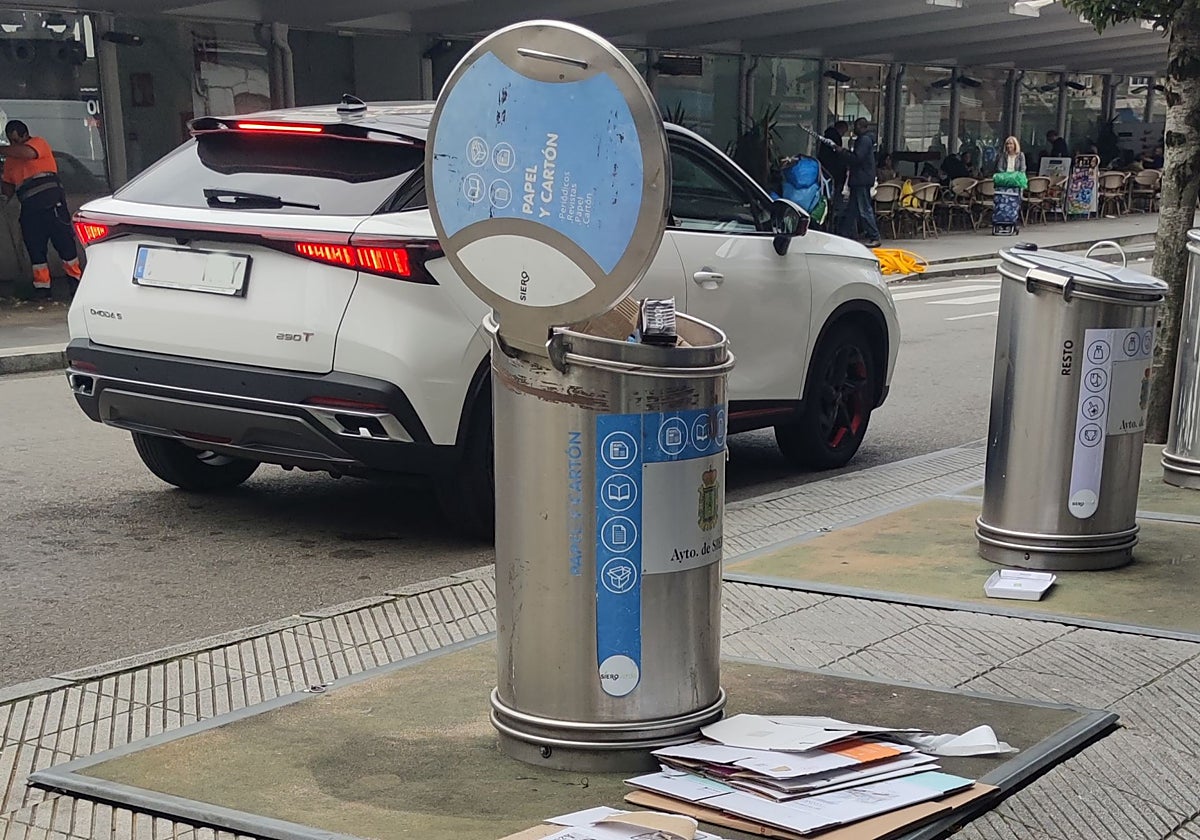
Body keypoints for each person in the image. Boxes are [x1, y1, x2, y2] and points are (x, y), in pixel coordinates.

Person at [0, 120, 82, 296]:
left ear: (25, 135)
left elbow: (27, 153)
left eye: (16, 140)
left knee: (65, 245)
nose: (14, 145)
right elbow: (8, 187)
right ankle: (43, 289)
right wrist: (3, 196)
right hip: (30, 209)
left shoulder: (38, 143)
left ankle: (75, 283)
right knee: (35, 249)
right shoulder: (10, 161)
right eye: (11, 141)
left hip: (52, 205)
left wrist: (3, 149)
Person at [838, 118, 881, 248]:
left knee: (864, 209)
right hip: (861, 178)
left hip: (861, 179)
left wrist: (843, 152)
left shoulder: (864, 140)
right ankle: (843, 234)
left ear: (861, 127)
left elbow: (857, 158)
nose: (853, 129)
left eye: (856, 126)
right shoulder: (866, 140)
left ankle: (875, 236)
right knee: (852, 209)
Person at [818, 120, 850, 220]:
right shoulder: (835, 139)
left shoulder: (827, 138)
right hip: (834, 172)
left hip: (826, 170)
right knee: (835, 195)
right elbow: (837, 156)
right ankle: (833, 215)